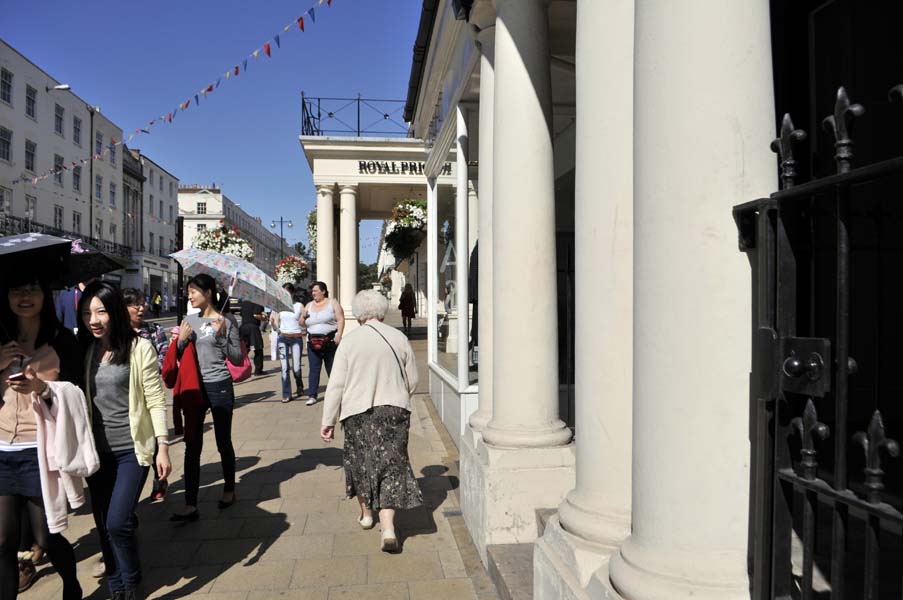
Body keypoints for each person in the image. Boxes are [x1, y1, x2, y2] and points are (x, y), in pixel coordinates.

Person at [78, 282, 171, 600]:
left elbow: (156, 399)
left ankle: (133, 585)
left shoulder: (138, 347)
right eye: (88, 312)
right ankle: (116, 587)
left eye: (101, 311)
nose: (94, 319)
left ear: (114, 311)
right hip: (97, 453)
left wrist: (163, 444)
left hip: (132, 449)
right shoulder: (87, 350)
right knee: (103, 522)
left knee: (118, 521)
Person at [0, 277, 83, 600]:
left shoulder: (61, 341)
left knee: (48, 536)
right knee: (4, 541)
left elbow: (76, 398)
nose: (24, 296)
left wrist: (41, 388)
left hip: (40, 451)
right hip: (3, 450)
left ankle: (71, 586)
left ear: (44, 296)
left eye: (32, 288)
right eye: (16, 288)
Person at [320, 290, 421, 553]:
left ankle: (366, 514)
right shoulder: (398, 337)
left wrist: (328, 420)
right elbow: (414, 379)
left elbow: (336, 386)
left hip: (357, 411)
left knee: (359, 459)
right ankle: (387, 527)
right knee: (392, 463)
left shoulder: (350, 342)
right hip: (394, 409)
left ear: (358, 312)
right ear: (382, 310)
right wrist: (398, 394)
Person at [171, 274, 242, 521]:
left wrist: (221, 335)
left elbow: (236, 358)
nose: (189, 296)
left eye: (193, 291)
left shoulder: (227, 320)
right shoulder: (190, 320)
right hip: (195, 389)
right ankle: (190, 503)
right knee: (192, 445)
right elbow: (181, 356)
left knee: (223, 440)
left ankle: (229, 489)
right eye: (188, 292)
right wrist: (180, 341)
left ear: (208, 292)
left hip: (220, 386)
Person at [121, 289, 170, 501]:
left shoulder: (153, 330)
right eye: (135, 305)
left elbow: (164, 356)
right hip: (128, 399)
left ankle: (159, 480)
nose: (141, 308)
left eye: (143, 304)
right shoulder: (117, 334)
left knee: (155, 440)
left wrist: (147, 368)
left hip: (149, 392)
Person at [301, 281, 344, 406]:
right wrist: (303, 317)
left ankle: (338, 394)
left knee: (332, 369)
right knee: (314, 369)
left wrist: (339, 335)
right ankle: (312, 395)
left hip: (329, 342)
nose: (313, 293)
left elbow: (340, 319)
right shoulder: (308, 305)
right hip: (312, 342)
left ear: (323, 291)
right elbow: (301, 323)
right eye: (312, 291)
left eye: (315, 291)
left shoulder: (333, 303)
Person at [273, 285, 304, 403]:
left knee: (296, 367)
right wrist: (274, 325)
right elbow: (276, 323)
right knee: (285, 367)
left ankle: (299, 385)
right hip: (283, 338)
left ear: (292, 293)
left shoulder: (299, 306)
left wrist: (305, 319)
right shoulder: (278, 306)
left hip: (296, 338)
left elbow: (303, 322)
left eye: (286, 292)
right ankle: (286, 393)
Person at [238, 299, 266, 376]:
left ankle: (239, 369)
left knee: (245, 349)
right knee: (258, 349)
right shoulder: (258, 302)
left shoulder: (244, 303)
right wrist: (264, 318)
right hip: (253, 327)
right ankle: (258, 370)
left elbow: (241, 314)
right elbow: (256, 315)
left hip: (243, 327)